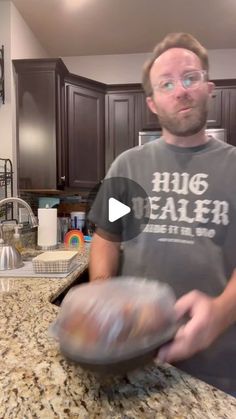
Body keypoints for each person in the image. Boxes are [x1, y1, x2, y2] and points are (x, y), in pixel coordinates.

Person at [88, 32, 236, 395]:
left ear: (208, 87)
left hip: (217, 370)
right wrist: (103, 295)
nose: (180, 90)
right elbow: (107, 237)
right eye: (166, 84)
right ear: (152, 103)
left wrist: (220, 312)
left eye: (190, 78)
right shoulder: (127, 167)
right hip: (134, 362)